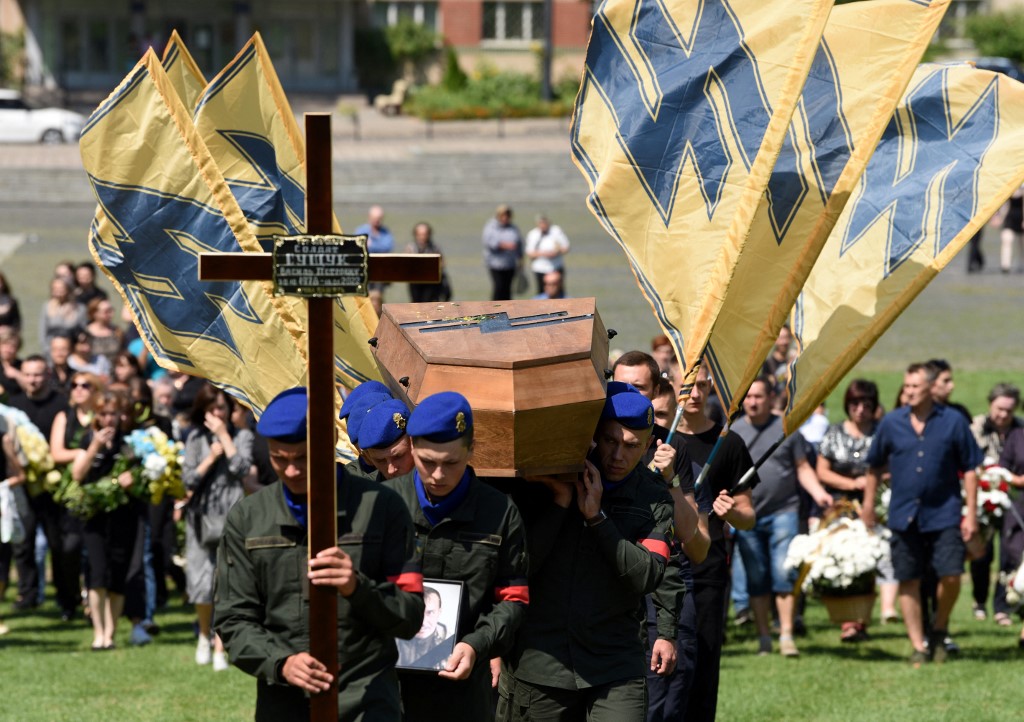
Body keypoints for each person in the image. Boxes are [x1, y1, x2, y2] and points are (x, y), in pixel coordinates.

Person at [214, 386, 425, 721]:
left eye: (302, 458)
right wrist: (281, 662)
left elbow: (411, 614)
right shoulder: (248, 518)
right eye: (279, 459)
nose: (292, 471)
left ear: (327, 445)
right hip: (285, 701)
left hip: (366, 701)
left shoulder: (381, 507)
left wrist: (358, 587)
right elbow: (232, 619)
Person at [500, 385, 674, 722]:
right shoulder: (544, 480)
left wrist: (597, 518)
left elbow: (648, 575)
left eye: (632, 446)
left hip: (615, 663)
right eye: (610, 440)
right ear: (593, 434)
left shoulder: (653, 498)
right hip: (542, 660)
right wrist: (561, 503)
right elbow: (519, 567)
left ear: (649, 446)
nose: (618, 456)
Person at [384, 391, 529, 722]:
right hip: (389, 688)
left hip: (462, 689)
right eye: (427, 462)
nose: (438, 475)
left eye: (451, 463)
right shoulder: (384, 506)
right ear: (410, 446)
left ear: (471, 449)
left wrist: (477, 645)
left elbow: (513, 599)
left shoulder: (500, 514)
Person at [862, 363, 983, 667]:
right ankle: (918, 644)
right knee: (908, 579)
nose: (909, 391)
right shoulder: (891, 423)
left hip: (944, 512)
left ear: (930, 388)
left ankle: (939, 628)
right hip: (904, 514)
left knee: (952, 575)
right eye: (906, 386)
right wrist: (867, 506)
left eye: (915, 386)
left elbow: (970, 468)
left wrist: (971, 514)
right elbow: (874, 466)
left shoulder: (953, 421)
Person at [671, 364, 756, 722]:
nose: (694, 394)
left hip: (707, 571)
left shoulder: (728, 442)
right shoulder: (659, 438)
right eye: (687, 385)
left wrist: (731, 512)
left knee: (702, 665)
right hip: (661, 566)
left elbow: (749, 516)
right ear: (671, 386)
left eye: (702, 386)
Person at [733, 377, 833, 657]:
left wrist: (818, 494)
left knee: (783, 573)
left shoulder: (787, 429)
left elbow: (803, 468)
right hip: (747, 514)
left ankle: (786, 635)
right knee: (757, 577)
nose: (753, 402)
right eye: (748, 397)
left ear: (771, 398)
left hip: (784, 512)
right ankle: (764, 637)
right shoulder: (735, 431)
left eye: (759, 396)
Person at [815, 379, 897, 640]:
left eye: (866, 404)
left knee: (876, 555)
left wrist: (874, 481)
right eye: (855, 403)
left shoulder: (883, 433)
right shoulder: (834, 433)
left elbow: (896, 464)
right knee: (847, 558)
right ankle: (849, 620)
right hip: (841, 504)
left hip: (878, 501)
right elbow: (822, 471)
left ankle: (869, 615)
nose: (860, 409)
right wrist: (852, 483)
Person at [182, 384, 253, 671]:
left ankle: (220, 647)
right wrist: (210, 457)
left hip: (231, 518)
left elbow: (242, 468)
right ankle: (203, 635)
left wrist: (225, 438)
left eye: (221, 408)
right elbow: (188, 479)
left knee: (227, 584)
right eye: (211, 409)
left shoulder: (243, 436)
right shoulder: (196, 438)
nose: (216, 414)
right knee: (201, 585)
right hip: (200, 519)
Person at [70, 390, 144, 649]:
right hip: (94, 516)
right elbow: (78, 474)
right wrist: (95, 447)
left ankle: (111, 633)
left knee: (118, 574)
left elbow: (142, 475)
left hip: (123, 515)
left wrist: (133, 479)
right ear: (96, 417)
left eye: (113, 413)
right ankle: (98, 633)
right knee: (97, 573)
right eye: (104, 414)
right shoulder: (87, 439)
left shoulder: (129, 442)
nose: (109, 419)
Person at [8, 355, 69, 612]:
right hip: (23, 484)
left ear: (48, 376)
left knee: (59, 544)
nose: (32, 379)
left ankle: (67, 598)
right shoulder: (13, 405)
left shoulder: (61, 404)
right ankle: (27, 595)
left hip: (54, 485)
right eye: (28, 374)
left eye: (37, 374)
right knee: (24, 543)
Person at [970, 383, 1023, 625]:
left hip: (1013, 498)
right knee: (982, 553)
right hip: (983, 496)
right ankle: (979, 600)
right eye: (999, 409)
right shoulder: (977, 427)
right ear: (990, 404)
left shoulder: (1020, 429)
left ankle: (1002, 606)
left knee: (1010, 552)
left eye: (1009, 411)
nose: (1003, 415)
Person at [997, 417, 1024, 648]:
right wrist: (1016, 479)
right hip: (1019, 508)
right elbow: (1001, 468)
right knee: (1017, 562)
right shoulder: (1017, 436)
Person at [352, 398, 415, 481]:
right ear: (369, 457)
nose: (391, 470)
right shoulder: (369, 492)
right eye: (380, 461)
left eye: (398, 456)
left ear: (415, 442)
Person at [397, 585, 452, 668]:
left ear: (439, 613)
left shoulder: (452, 642)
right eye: (415, 612)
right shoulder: (390, 637)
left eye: (430, 613)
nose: (423, 622)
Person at [355, 205, 395, 315]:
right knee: (364, 299)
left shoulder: (385, 232)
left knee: (377, 298)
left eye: (379, 219)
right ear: (369, 217)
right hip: (364, 271)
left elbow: (387, 246)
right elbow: (357, 247)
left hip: (380, 272)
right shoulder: (361, 230)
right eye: (375, 218)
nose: (377, 221)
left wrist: (371, 244)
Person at [482, 204, 523, 301]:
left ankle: (508, 310)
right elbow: (488, 242)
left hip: (510, 264)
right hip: (495, 264)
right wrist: (505, 246)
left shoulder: (513, 228)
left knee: (507, 289)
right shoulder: (491, 226)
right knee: (498, 288)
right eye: (503, 215)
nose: (505, 218)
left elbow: (519, 243)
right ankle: (494, 310)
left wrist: (521, 259)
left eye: (507, 215)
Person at [524, 214, 570, 295]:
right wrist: (543, 253)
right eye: (541, 223)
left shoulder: (556, 231)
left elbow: (566, 247)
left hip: (556, 267)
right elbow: (530, 253)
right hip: (540, 269)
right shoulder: (533, 234)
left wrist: (556, 252)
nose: (543, 225)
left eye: (545, 223)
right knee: (542, 293)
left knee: (559, 292)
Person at [39, 277, 87, 354]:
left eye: (61, 288)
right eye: (55, 288)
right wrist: (47, 350)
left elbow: (83, 331)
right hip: (51, 350)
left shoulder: (80, 308)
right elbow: (43, 332)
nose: (58, 291)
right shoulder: (47, 306)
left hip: (72, 350)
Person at [406, 222, 451, 303]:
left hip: (431, 282)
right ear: (415, 235)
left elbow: (443, 263)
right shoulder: (411, 248)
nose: (422, 237)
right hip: (415, 282)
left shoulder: (435, 247)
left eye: (424, 234)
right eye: (420, 234)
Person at [85, 297, 125, 368]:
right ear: (95, 313)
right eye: (107, 311)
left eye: (111, 310)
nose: (111, 314)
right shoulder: (86, 333)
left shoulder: (117, 331)